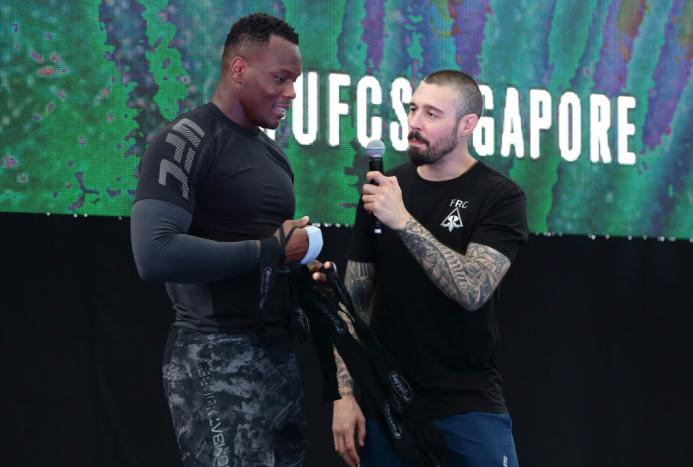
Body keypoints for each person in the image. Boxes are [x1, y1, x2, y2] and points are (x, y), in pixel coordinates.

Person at [130, 13, 312, 467]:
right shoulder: (185, 141)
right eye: (280, 78)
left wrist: (301, 274)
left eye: (294, 80)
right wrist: (271, 250)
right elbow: (153, 253)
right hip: (213, 355)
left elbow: (267, 256)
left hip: (276, 354)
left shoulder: (273, 155)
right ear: (238, 69)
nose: (291, 92)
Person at [330, 70, 528, 467]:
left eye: (432, 114)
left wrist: (402, 220)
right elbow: (354, 301)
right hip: (388, 404)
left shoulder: (499, 196)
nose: (415, 123)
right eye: (413, 109)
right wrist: (346, 396)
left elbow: (472, 289)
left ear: (467, 125)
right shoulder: (384, 189)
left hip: (467, 402)